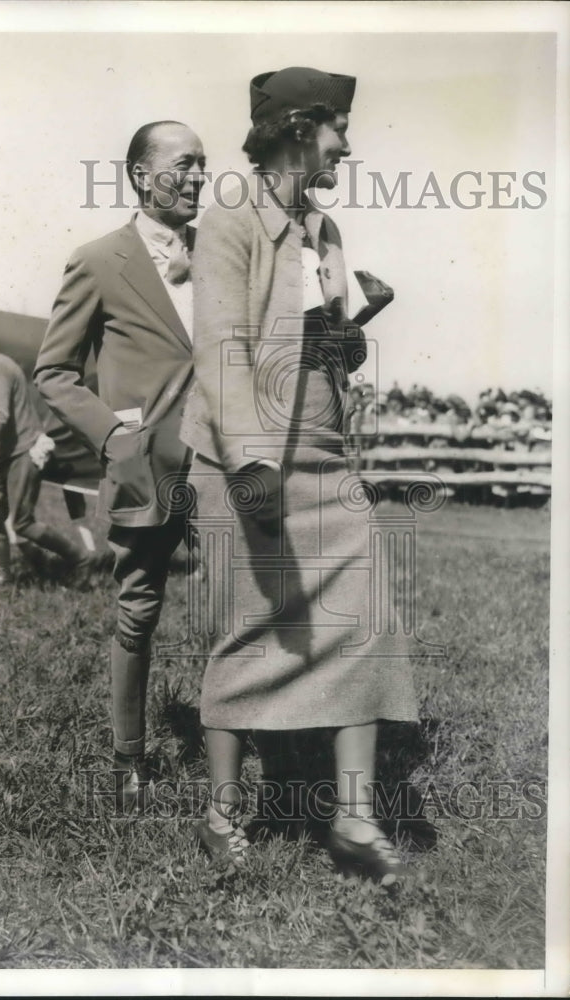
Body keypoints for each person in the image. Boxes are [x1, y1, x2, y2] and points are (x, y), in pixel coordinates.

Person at [179, 67, 417, 883]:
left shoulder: (324, 230)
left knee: (364, 621)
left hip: (320, 449)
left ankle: (353, 818)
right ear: (296, 128)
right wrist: (248, 463)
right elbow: (220, 348)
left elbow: (329, 348)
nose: (346, 145)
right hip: (247, 454)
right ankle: (220, 814)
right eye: (337, 128)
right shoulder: (229, 219)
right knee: (248, 625)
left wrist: (354, 330)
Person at [34, 121, 206, 808]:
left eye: (205, 166)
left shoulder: (222, 257)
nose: (198, 179)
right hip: (145, 468)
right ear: (140, 174)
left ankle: (253, 750)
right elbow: (53, 372)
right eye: (184, 165)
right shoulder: (99, 259)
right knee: (139, 609)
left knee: (247, 606)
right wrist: (112, 437)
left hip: (225, 467)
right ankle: (127, 759)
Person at [0, 322, 99, 587]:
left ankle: (81, 559)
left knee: (22, 524)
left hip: (21, 454)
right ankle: (2, 578)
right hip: (3, 457)